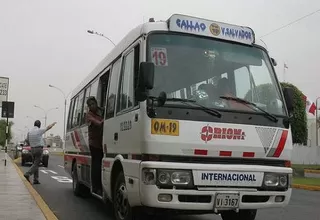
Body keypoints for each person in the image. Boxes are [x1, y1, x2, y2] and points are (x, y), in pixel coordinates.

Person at [86, 96, 104, 195]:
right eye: (90, 105)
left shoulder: (101, 110)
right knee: (96, 165)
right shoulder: (89, 115)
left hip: (103, 142)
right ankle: (96, 187)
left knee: (102, 165)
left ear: (96, 103)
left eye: (93, 104)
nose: (92, 106)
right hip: (94, 144)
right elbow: (98, 123)